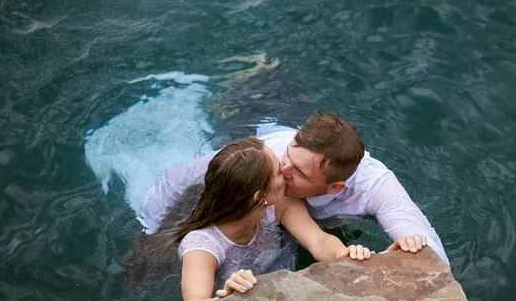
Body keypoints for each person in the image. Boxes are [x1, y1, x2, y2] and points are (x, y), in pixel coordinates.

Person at [142, 111, 449, 266]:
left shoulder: (375, 187)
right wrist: (156, 235)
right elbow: (192, 181)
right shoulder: (266, 158)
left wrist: (391, 258)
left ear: (334, 187)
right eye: (287, 156)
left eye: (298, 172)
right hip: (256, 128)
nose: (282, 170)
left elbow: (430, 250)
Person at [178, 136, 371, 301]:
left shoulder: (278, 204)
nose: (287, 173)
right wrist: (228, 299)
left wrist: (343, 255)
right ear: (260, 197)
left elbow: (318, 240)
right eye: (279, 172)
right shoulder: (202, 245)